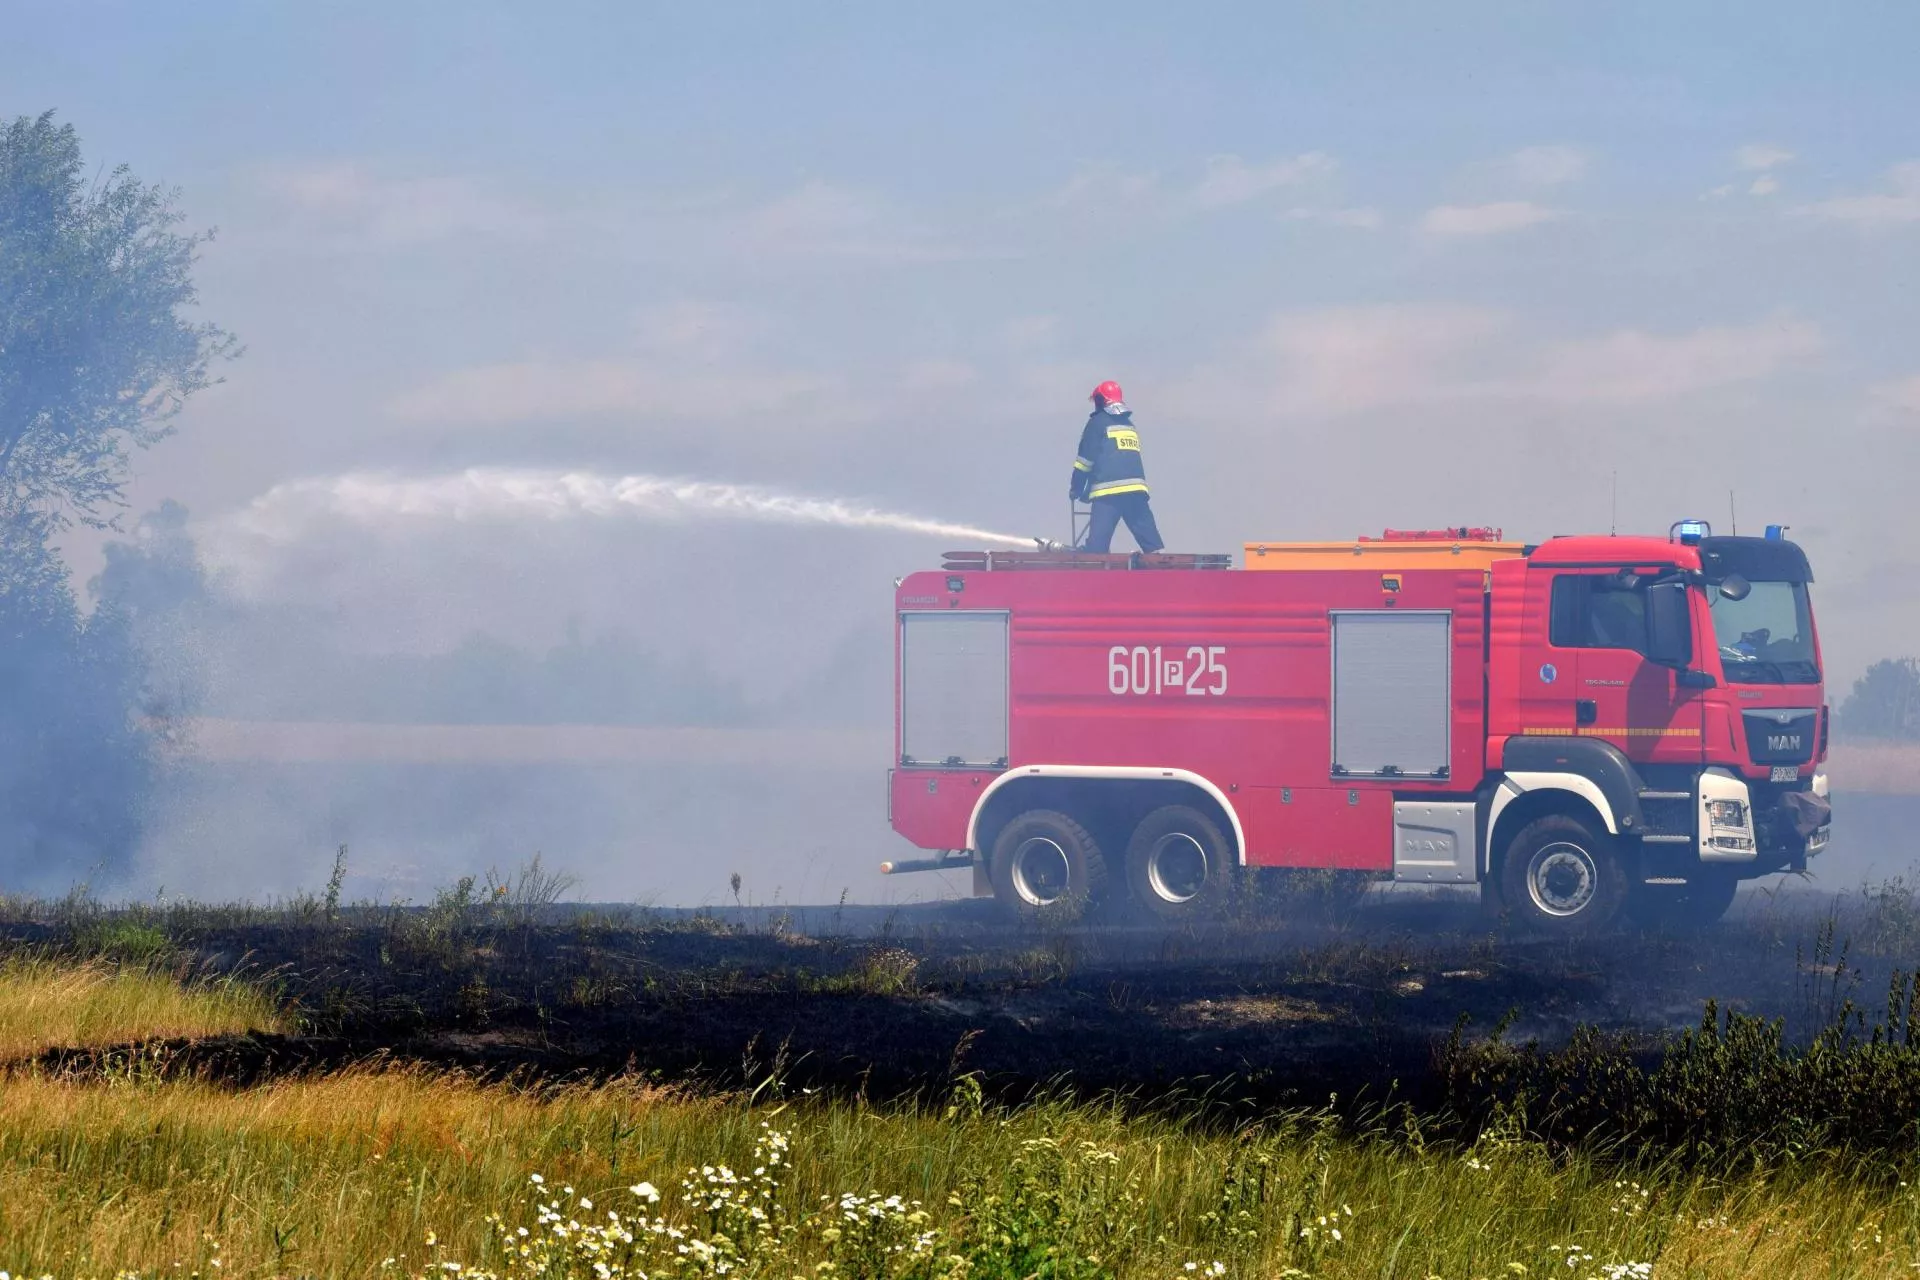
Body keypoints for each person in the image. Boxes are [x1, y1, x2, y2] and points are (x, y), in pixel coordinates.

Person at [1071, 380, 1165, 554]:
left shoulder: (1097, 423)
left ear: (1100, 400)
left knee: (1096, 551)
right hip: (1136, 492)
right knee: (1152, 548)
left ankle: (1097, 579)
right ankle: (1167, 575)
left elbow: (1084, 461)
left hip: (1108, 495)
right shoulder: (1129, 425)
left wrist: (1076, 488)